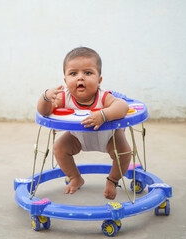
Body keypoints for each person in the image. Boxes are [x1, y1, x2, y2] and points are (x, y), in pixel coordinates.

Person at [37, 47, 131, 200]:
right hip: (77, 137)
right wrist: (46, 97)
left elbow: (123, 106)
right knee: (59, 148)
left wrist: (104, 114)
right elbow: (44, 111)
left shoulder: (103, 97)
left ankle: (112, 180)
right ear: (66, 80)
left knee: (124, 153)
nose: (80, 78)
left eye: (88, 73)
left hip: (108, 137)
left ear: (99, 80)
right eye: (73, 73)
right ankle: (75, 177)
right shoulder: (64, 97)